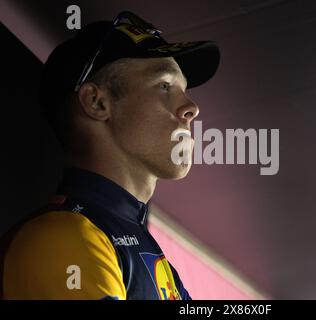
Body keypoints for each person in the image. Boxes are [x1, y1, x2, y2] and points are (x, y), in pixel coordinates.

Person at [0, 11, 220, 300]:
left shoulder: (134, 243)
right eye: (165, 86)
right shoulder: (63, 238)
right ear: (96, 102)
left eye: (183, 90)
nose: (191, 108)